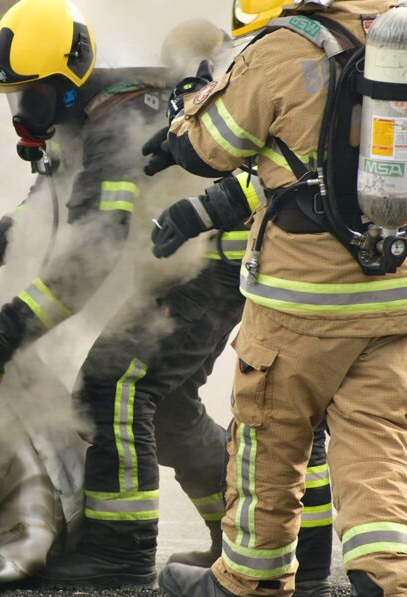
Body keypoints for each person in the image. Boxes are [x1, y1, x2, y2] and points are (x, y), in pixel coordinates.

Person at [0, 0, 337, 593]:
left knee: (111, 386)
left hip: (213, 263)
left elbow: (88, 257)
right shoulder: (89, 112)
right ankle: (245, 537)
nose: (25, 111)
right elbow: (55, 208)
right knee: (166, 409)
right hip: (188, 263)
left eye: (35, 94)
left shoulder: (118, 121)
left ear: (72, 76)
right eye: (16, 97)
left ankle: (121, 553)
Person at [141, 0, 407, 595]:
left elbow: (209, 147)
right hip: (393, 293)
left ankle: (247, 581)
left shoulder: (287, 48)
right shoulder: (396, 36)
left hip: (301, 303)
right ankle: (389, 579)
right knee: (377, 450)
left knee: (268, 439)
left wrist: (191, 96)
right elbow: (298, 162)